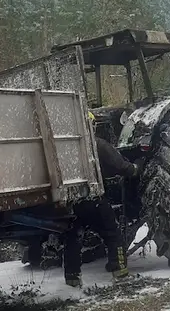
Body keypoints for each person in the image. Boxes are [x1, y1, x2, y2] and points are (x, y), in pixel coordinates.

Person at [64, 114, 141, 288]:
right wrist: (136, 169)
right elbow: (121, 167)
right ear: (91, 125)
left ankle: (72, 279)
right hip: (95, 199)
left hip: (74, 201)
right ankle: (120, 273)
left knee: (73, 238)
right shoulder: (97, 144)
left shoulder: (66, 146)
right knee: (113, 235)